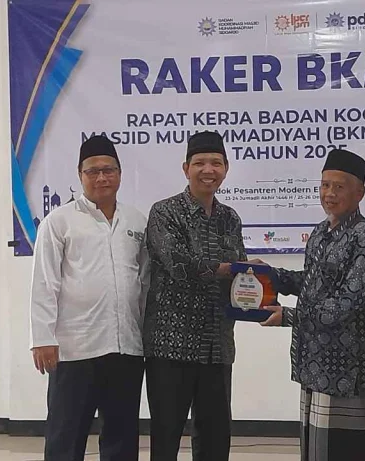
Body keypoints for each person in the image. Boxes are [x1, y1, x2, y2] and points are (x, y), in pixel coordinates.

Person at [261, 148, 365, 461]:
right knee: (318, 450)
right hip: (316, 364)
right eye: (325, 185)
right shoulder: (320, 233)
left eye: (339, 187)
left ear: (360, 193)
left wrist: (288, 316)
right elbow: (312, 283)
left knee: (347, 451)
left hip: (350, 368)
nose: (329, 193)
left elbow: (346, 304)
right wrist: (270, 276)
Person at [29, 135, 149, 461]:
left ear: (120, 174)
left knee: (122, 436)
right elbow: (44, 283)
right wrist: (42, 338)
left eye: (108, 170)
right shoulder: (59, 222)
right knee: (66, 436)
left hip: (125, 348)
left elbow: (145, 282)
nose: (101, 177)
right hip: (74, 350)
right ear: (80, 175)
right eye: (92, 171)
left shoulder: (136, 221)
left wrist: (146, 337)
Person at [143, 131, 249, 461]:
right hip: (171, 348)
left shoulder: (230, 218)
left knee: (216, 441)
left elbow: (240, 273)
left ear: (226, 168)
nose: (208, 170)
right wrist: (227, 269)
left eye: (216, 163)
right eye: (200, 163)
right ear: (186, 168)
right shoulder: (164, 212)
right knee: (166, 440)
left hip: (217, 348)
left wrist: (255, 280)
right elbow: (178, 264)